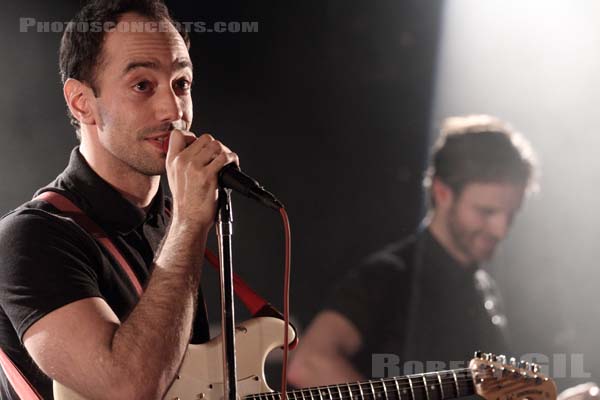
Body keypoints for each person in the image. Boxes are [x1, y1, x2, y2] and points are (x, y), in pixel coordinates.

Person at [0, 1, 239, 398]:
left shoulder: (170, 219)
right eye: (142, 85)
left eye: (181, 83)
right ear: (81, 102)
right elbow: (126, 388)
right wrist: (188, 224)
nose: (174, 110)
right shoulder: (28, 238)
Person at [287, 115, 537, 387]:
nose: (500, 229)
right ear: (442, 193)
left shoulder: (483, 289)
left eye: (511, 214)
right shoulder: (389, 274)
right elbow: (309, 363)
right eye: (486, 212)